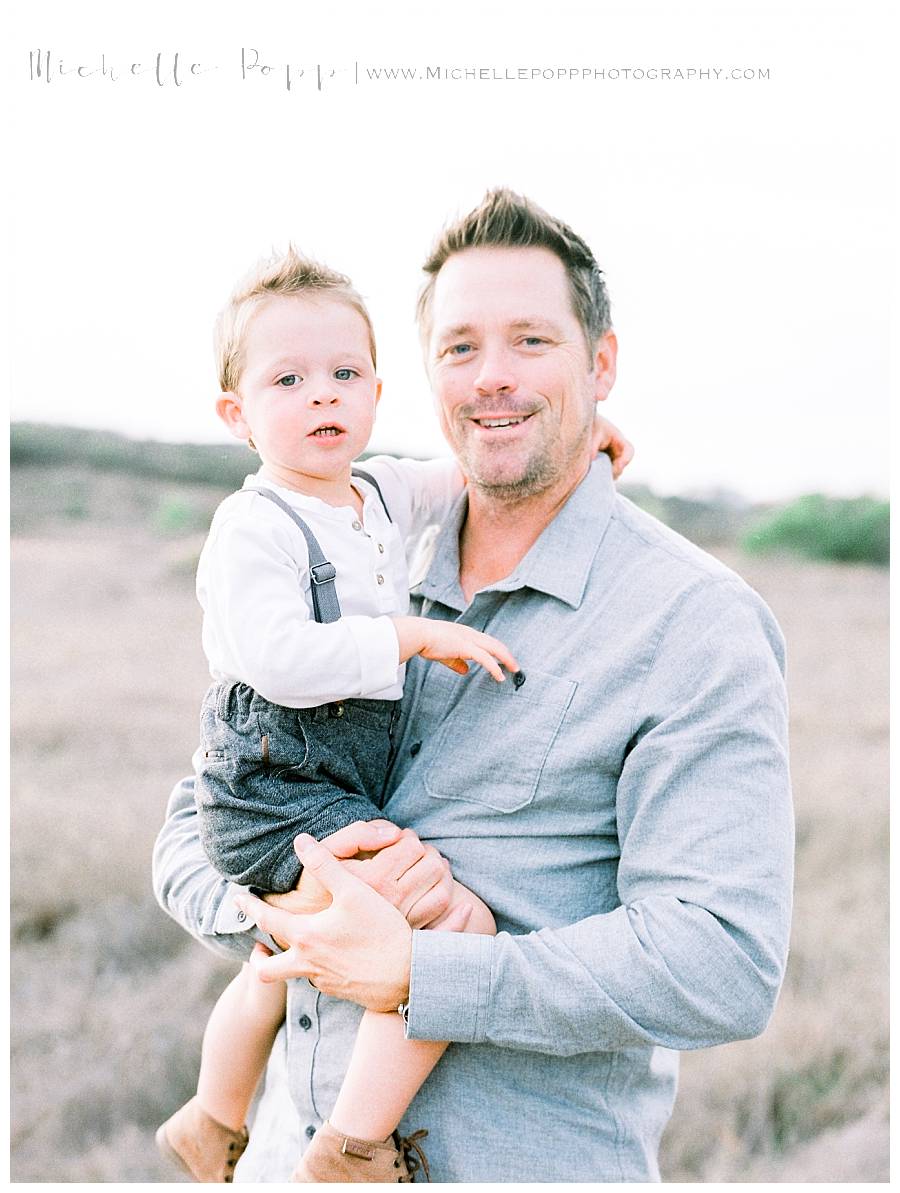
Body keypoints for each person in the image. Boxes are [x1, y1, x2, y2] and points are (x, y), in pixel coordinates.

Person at [154, 188, 793, 1183]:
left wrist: (424, 971)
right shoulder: (355, 557)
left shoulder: (694, 623)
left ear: (603, 363)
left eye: (532, 340)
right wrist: (302, 910)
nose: (492, 376)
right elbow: (186, 833)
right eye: (459, 348)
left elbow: (721, 961)